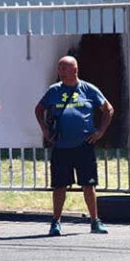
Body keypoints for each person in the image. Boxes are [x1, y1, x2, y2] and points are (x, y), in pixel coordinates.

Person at [35, 56, 114, 236]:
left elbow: (108, 109)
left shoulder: (88, 89)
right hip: (61, 145)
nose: (60, 72)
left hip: (83, 145)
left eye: (64, 68)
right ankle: (56, 222)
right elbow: (39, 109)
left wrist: (100, 131)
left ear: (75, 70)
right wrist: (45, 129)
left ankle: (95, 221)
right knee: (59, 186)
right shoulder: (54, 90)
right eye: (59, 68)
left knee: (88, 185)